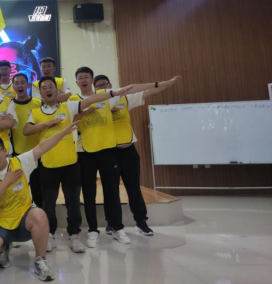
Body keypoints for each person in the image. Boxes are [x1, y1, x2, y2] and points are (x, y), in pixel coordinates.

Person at [24, 77, 134, 253]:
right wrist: (47, 124)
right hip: (48, 164)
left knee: (73, 202)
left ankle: (73, 235)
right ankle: (49, 234)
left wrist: (113, 93)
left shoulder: (68, 106)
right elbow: (26, 130)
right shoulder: (35, 112)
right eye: (44, 88)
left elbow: (91, 99)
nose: (48, 90)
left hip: (70, 163)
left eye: (51, 86)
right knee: (48, 203)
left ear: (57, 90)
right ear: (40, 93)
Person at [71, 67, 165, 248]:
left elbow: (136, 90)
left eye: (87, 77)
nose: (84, 80)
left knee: (118, 189)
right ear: (77, 82)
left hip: (114, 149)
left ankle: (125, 225)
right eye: (80, 78)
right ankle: (94, 229)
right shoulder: (74, 100)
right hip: (86, 151)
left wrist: (159, 84)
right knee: (89, 193)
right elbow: (72, 116)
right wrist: (86, 112)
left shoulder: (112, 98)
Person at [0, 121, 80, 282]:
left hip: (24, 221)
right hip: (0, 223)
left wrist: (63, 133)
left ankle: (40, 260)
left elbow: (42, 147)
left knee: (40, 214)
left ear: (5, 151)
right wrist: (7, 181)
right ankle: (3, 247)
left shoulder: (20, 162)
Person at [93, 74, 182, 237]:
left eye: (105, 84)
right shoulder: (94, 103)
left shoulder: (124, 98)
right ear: (95, 89)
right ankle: (111, 222)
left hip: (128, 150)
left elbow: (146, 91)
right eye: (99, 86)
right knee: (110, 189)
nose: (103, 87)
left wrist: (165, 84)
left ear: (111, 84)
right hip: (108, 152)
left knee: (133, 188)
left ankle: (141, 222)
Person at [6, 73, 43, 207]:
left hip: (37, 151)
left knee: (38, 188)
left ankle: (40, 214)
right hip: (18, 152)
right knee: (21, 188)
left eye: (23, 82)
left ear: (28, 85)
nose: (20, 85)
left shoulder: (38, 103)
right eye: (17, 83)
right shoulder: (9, 105)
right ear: (13, 86)